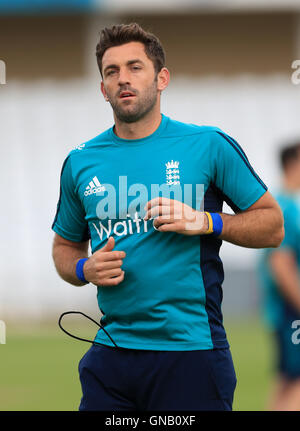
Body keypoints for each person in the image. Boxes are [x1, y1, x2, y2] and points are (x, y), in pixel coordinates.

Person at [51, 23, 284, 411]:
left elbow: (272, 225)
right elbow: (64, 246)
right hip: (111, 353)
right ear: (103, 88)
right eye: (112, 71)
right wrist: (82, 269)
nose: (123, 78)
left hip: (191, 350)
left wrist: (207, 221)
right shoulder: (80, 162)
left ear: (162, 78)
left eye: (135, 67)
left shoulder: (208, 145)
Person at [257, 142, 300, 411]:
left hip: (284, 312)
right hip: (290, 312)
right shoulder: (285, 209)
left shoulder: (281, 205)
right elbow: (280, 265)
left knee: (286, 379)